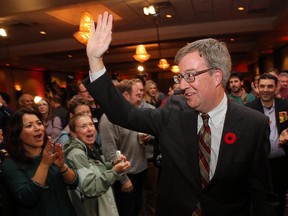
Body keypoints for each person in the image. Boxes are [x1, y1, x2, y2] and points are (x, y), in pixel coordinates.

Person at [83, 12, 278, 216]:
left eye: (190, 76)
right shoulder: (173, 111)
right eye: (181, 76)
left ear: (216, 76)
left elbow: (262, 195)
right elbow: (125, 115)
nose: (182, 85)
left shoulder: (253, 124)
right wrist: (95, 61)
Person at [0, 108, 78, 216]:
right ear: (17, 133)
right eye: (29, 126)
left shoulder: (51, 152)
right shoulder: (10, 164)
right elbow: (27, 198)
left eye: (39, 123)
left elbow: (74, 182)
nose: (37, 128)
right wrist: (44, 164)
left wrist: (62, 167)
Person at [64, 113, 131, 216]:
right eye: (84, 126)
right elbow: (90, 187)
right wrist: (114, 172)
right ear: (74, 134)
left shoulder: (89, 148)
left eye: (91, 124)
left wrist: (113, 164)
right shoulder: (77, 154)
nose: (90, 129)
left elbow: (96, 170)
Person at [99, 79, 147, 216]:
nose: (139, 98)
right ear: (125, 95)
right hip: (126, 176)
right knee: (127, 212)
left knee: (138, 209)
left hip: (140, 171)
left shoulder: (134, 113)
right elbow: (110, 153)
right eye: (136, 94)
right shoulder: (108, 119)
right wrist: (124, 179)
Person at [246, 73, 288, 216]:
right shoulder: (249, 109)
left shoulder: (285, 105)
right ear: (257, 87)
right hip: (259, 164)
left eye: (270, 86)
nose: (265, 89)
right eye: (262, 86)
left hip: (282, 163)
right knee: (260, 200)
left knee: (280, 197)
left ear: (276, 88)